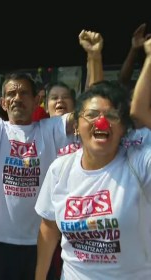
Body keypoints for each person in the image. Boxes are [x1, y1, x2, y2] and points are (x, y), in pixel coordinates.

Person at [0, 12, 74, 280]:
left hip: (40, 243)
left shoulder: (51, 129)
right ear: (3, 102)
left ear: (36, 101)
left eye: (23, 93)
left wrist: (94, 59)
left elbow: (86, 114)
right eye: (11, 94)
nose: (17, 98)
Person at [34, 80, 151, 279]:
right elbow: (49, 227)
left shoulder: (140, 164)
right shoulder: (60, 169)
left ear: (123, 128)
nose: (101, 122)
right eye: (91, 115)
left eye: (112, 116)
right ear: (77, 126)